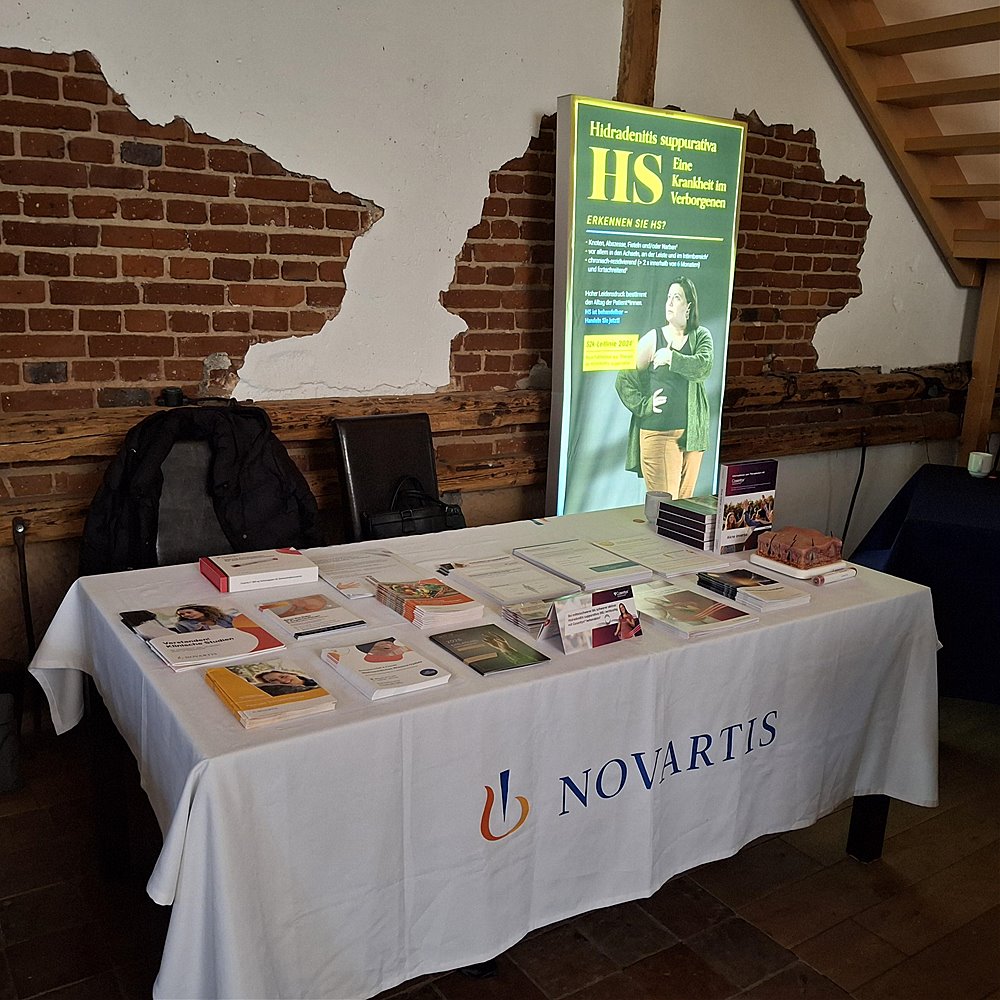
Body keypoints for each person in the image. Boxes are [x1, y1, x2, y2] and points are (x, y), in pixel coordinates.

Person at [615, 275, 713, 499]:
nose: (669, 302)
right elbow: (623, 380)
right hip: (659, 434)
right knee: (667, 506)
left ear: (689, 306)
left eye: (676, 297)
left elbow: (703, 367)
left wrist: (671, 358)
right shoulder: (653, 338)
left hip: (693, 437)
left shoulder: (701, 337)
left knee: (685, 507)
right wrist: (645, 405)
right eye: (668, 297)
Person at [251, 669, 319, 697]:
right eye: (274, 681)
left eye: (283, 676)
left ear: (291, 674)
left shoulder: (317, 679)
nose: (283, 681)